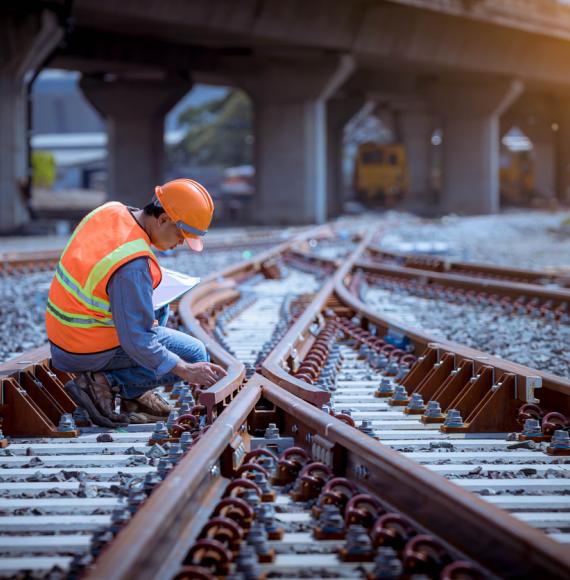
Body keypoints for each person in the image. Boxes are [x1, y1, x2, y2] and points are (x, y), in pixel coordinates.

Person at [45, 178, 227, 427]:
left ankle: (131, 395)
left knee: (158, 305)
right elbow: (137, 340)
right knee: (195, 353)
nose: (181, 242)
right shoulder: (133, 265)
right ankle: (105, 384)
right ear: (162, 219)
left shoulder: (111, 210)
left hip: (64, 332)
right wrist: (185, 369)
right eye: (181, 234)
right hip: (84, 346)